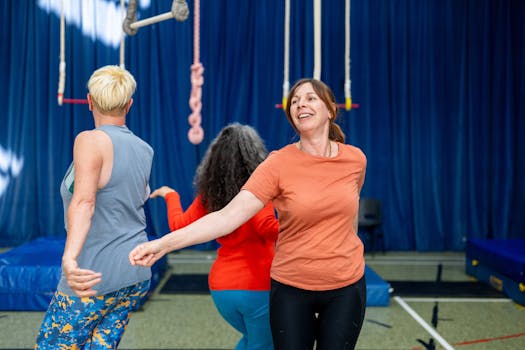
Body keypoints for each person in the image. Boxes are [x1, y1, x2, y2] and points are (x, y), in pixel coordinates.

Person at [130, 78, 367, 350]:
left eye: (310, 98)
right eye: (296, 100)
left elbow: (350, 216)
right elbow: (226, 217)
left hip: (345, 286)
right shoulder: (277, 164)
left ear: (330, 109)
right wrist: (162, 245)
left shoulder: (355, 159)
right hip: (292, 286)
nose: (301, 103)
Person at [36, 65, 154, 349]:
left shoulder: (89, 140)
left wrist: (69, 259)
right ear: (129, 104)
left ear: (89, 101)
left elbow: (85, 201)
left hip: (93, 274)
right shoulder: (144, 148)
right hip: (133, 273)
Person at [150, 123, 279, 350]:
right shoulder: (258, 192)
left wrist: (170, 195)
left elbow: (178, 225)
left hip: (222, 290)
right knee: (264, 344)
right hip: (257, 287)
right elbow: (268, 228)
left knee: (252, 341)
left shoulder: (209, 196)